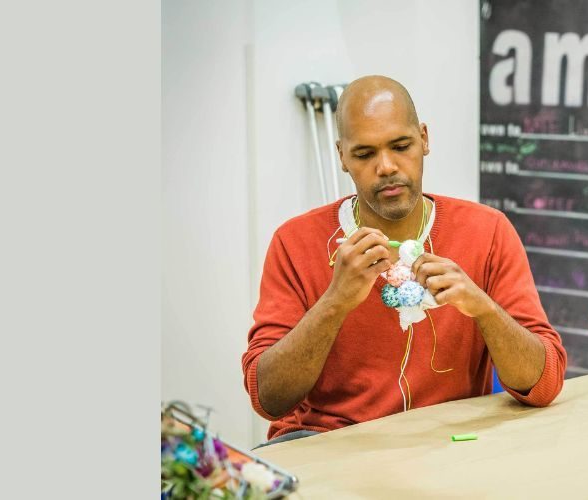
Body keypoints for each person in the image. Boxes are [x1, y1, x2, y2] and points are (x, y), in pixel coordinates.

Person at [242, 75, 566, 448]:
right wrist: (335, 302)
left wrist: (483, 308)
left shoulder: (487, 232)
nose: (386, 166)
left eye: (401, 146)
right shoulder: (295, 242)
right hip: (329, 444)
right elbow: (268, 398)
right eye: (364, 154)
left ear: (424, 139)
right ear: (342, 156)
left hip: (448, 445)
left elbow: (543, 384)